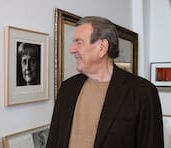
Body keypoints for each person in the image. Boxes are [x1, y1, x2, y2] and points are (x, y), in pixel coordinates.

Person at [46, 16, 164, 148]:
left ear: (102, 48)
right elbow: (54, 140)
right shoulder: (68, 87)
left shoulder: (143, 92)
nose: (72, 49)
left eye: (79, 42)